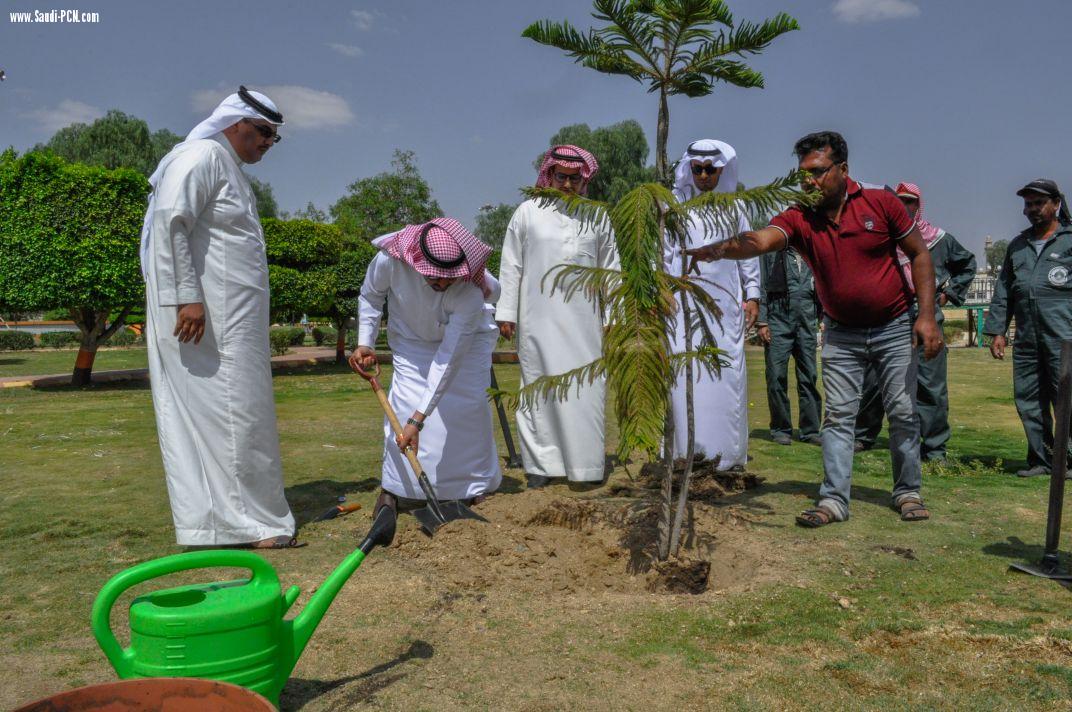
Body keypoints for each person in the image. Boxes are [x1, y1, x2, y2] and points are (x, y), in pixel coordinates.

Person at [686, 130, 942, 527]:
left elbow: (920, 255)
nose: (810, 181)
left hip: (893, 326)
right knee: (837, 417)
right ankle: (834, 500)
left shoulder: (881, 203)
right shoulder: (800, 217)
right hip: (840, 332)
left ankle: (907, 491)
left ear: (842, 169)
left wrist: (925, 316)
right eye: (804, 173)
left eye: (819, 172)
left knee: (903, 412)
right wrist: (719, 249)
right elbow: (761, 240)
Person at [140, 86, 299, 548]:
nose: (268, 143)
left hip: (228, 324)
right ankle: (250, 524)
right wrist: (187, 297)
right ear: (236, 125)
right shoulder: (202, 156)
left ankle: (217, 525)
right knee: (235, 416)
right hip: (205, 321)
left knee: (231, 417)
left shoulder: (227, 168)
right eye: (264, 133)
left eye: (274, 137)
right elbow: (172, 221)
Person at [351, 218, 502, 511]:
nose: (442, 283)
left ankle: (474, 487)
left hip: (467, 347)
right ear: (416, 262)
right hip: (410, 342)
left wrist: (418, 421)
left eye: (450, 278)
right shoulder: (389, 260)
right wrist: (364, 342)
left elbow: (448, 360)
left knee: (467, 410)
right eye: (435, 276)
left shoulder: (471, 292)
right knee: (405, 405)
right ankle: (397, 488)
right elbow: (370, 296)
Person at [496, 145, 619, 488]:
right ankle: (541, 467)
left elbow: (611, 268)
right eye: (561, 177)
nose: (567, 184)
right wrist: (507, 313)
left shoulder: (598, 217)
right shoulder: (527, 212)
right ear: (548, 175)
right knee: (539, 391)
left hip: (586, 324)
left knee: (586, 391)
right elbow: (511, 266)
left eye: (574, 178)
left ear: (585, 179)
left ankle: (585, 468)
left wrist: (614, 315)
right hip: (538, 320)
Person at [853, 183, 976, 461]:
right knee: (873, 381)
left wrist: (947, 295)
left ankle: (934, 448)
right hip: (887, 316)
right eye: (899, 202)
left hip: (926, 316)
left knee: (930, 385)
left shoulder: (938, 240)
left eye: (910, 202)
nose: (904, 207)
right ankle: (863, 436)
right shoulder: (884, 237)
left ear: (918, 205)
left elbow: (967, 264)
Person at [665, 139, 760, 467]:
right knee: (683, 375)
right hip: (681, 306)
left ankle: (728, 458)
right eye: (698, 169)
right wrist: (663, 289)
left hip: (724, 308)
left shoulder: (734, 207)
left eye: (711, 170)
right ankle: (684, 456)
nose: (704, 175)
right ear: (690, 169)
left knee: (725, 378)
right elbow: (661, 253)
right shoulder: (673, 204)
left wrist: (753, 295)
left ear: (723, 170)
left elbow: (749, 254)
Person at [984, 179, 1072, 477]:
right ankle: (1041, 459)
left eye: (1038, 203)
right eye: (1028, 204)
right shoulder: (1018, 246)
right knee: (1029, 399)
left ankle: (1068, 460)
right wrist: (997, 331)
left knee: (1066, 398)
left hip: (1064, 338)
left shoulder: (1070, 241)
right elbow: (1004, 291)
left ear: (1056, 204)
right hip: (1026, 339)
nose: (1032, 209)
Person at [757, 244, 822, 447]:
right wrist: (763, 320)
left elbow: (824, 284)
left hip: (807, 319)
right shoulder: (771, 253)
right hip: (778, 319)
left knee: (809, 377)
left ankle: (810, 430)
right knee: (776, 376)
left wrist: (824, 317)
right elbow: (762, 284)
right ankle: (780, 429)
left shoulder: (814, 251)